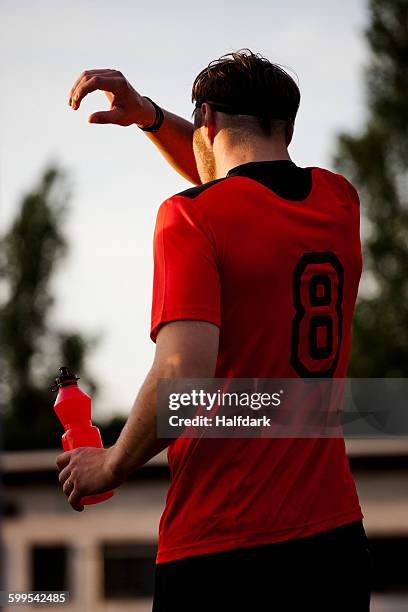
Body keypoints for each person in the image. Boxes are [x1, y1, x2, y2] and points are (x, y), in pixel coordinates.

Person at [56, 49, 373, 611]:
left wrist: (111, 463)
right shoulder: (338, 200)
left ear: (207, 122)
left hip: (224, 546)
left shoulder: (191, 216)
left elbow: (184, 375)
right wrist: (151, 117)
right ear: (290, 126)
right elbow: (236, 180)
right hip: (334, 543)